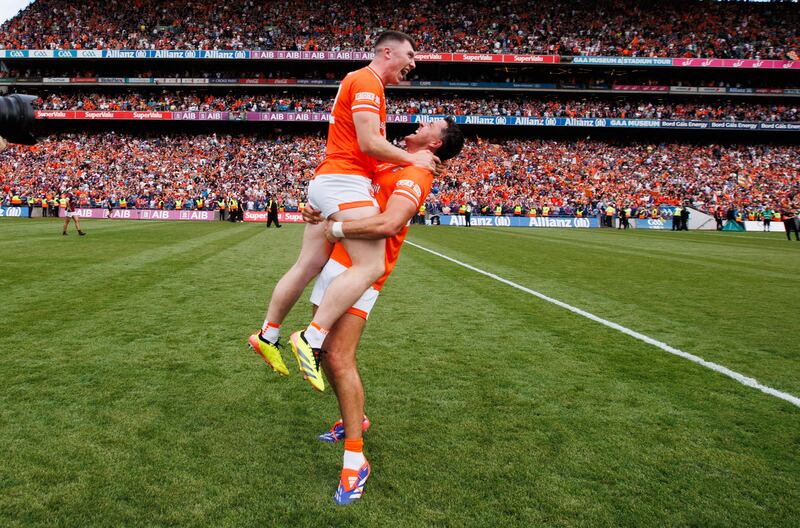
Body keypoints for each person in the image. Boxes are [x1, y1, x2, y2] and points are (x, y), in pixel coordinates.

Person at [281, 118, 464, 506]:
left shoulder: (417, 172)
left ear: (435, 143)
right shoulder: (391, 159)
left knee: (339, 358)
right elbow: (347, 197)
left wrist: (336, 230)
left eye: (432, 124)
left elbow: (389, 223)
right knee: (326, 354)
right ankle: (356, 418)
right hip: (340, 263)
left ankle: (355, 460)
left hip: (363, 273)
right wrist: (319, 212)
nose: (421, 122)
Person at [251, 30, 437, 392]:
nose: (413, 63)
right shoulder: (367, 81)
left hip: (333, 181)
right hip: (343, 181)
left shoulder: (363, 82)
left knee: (307, 264)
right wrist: (412, 158)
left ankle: (267, 334)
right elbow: (368, 143)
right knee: (372, 265)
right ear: (387, 52)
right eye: (410, 55)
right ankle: (311, 337)